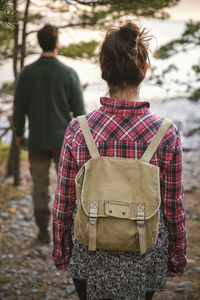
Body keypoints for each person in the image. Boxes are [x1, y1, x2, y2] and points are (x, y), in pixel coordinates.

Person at [52, 21, 187, 300]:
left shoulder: (79, 130)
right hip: (145, 254)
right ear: (144, 70)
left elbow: (64, 203)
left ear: (103, 71)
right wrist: (176, 256)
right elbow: (173, 206)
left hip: (89, 255)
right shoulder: (166, 133)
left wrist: (62, 253)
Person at [13, 24, 86, 244]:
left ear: (39, 43)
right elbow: (80, 114)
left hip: (36, 142)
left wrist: (19, 135)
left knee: (39, 188)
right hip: (64, 143)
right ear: (56, 43)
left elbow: (19, 110)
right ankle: (69, 233)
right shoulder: (69, 73)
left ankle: (43, 232)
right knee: (69, 189)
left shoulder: (27, 73)